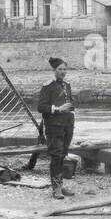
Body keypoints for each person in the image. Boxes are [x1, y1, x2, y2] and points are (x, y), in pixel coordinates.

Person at [36, 56, 75, 199]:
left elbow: (70, 102)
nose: (63, 72)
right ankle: (56, 189)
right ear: (54, 70)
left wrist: (71, 107)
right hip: (54, 126)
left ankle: (61, 186)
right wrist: (58, 109)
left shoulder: (67, 85)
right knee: (56, 156)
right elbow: (41, 107)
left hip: (68, 125)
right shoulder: (48, 86)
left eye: (65, 69)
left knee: (63, 154)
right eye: (60, 69)